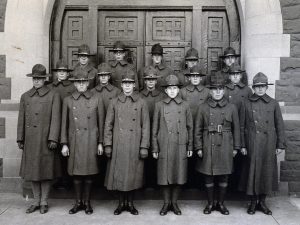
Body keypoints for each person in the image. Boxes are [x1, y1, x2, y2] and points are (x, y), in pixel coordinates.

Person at [104, 69, 150, 215]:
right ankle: (120, 203)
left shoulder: (141, 102)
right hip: (119, 144)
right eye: (125, 83)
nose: (128, 86)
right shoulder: (114, 102)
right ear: (122, 85)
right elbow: (108, 125)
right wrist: (108, 144)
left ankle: (130, 203)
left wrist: (144, 146)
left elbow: (146, 126)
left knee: (132, 176)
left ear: (134, 85)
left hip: (135, 144)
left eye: (130, 83)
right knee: (119, 175)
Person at [194, 71, 240, 215]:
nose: (218, 92)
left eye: (220, 89)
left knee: (224, 175)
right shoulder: (203, 107)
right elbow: (198, 129)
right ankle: (210, 203)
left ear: (224, 90)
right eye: (215, 89)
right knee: (208, 174)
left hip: (226, 144)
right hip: (208, 143)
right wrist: (199, 146)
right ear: (210, 91)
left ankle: (220, 203)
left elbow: (236, 129)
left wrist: (236, 147)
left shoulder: (231, 107)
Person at [239, 72, 286, 215]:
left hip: (268, 143)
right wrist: (242, 145)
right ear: (253, 87)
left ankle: (263, 202)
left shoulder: (273, 103)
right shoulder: (246, 103)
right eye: (257, 86)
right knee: (252, 172)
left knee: (266, 172)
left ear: (266, 87)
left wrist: (280, 144)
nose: (260, 89)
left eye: (263, 86)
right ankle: (253, 202)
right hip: (252, 142)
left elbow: (280, 125)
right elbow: (241, 126)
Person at [17, 64, 61, 214]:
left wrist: (53, 138)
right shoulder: (25, 96)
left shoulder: (53, 95)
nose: (37, 81)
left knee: (45, 172)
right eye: (35, 78)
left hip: (45, 140)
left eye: (40, 79)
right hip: (30, 140)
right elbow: (21, 119)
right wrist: (20, 138)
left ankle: (44, 202)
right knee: (33, 173)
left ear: (44, 80)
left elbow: (56, 118)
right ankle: (35, 201)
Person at [61, 70, 105, 215]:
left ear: (88, 83)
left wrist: (100, 142)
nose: (81, 84)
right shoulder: (68, 100)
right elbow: (64, 124)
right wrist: (64, 144)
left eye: (83, 82)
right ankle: (78, 202)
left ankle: (87, 202)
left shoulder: (96, 98)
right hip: (74, 141)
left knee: (89, 174)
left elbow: (101, 123)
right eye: (78, 82)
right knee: (76, 174)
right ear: (74, 83)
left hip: (91, 141)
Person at [152, 75, 193, 216]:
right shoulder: (159, 105)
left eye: (175, 88)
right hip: (164, 144)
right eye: (169, 88)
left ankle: (174, 203)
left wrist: (190, 146)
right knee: (164, 175)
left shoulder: (185, 105)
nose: (172, 91)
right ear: (165, 90)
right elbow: (154, 128)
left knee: (178, 174)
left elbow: (190, 127)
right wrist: (155, 147)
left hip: (180, 145)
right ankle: (165, 203)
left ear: (178, 89)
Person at [224, 63, 252, 191]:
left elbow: (251, 108)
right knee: (227, 156)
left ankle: (238, 187)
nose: (235, 77)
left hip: (242, 126)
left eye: (237, 74)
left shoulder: (247, 90)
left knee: (240, 156)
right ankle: (226, 187)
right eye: (232, 75)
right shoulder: (224, 89)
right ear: (229, 76)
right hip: (226, 126)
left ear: (241, 75)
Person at [180, 65, 209, 187]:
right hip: (187, 126)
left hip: (203, 128)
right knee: (187, 153)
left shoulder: (207, 91)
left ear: (201, 78)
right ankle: (187, 183)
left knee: (201, 154)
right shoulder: (183, 91)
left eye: (198, 76)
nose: (195, 78)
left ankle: (200, 184)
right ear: (189, 78)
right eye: (193, 76)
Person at [49, 59, 75, 190]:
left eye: (64, 71)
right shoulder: (50, 87)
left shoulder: (72, 87)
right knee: (55, 153)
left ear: (68, 73)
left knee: (68, 151)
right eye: (59, 71)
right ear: (56, 73)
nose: (61, 74)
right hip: (54, 122)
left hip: (69, 122)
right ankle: (58, 179)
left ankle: (68, 179)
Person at [139, 66, 165, 187]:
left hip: (157, 130)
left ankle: (155, 184)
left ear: (156, 81)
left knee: (156, 155)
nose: (150, 81)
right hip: (142, 130)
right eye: (148, 79)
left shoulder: (162, 96)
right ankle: (144, 184)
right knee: (143, 157)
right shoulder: (139, 95)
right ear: (144, 81)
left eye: (153, 79)